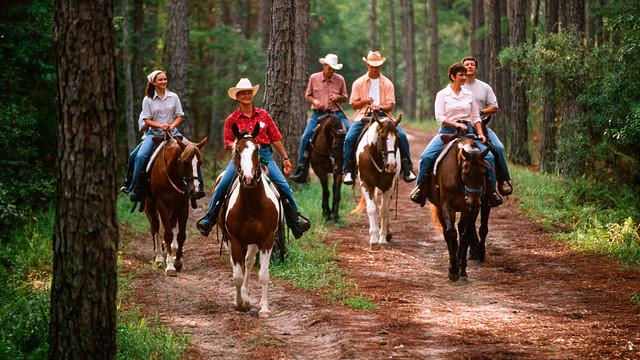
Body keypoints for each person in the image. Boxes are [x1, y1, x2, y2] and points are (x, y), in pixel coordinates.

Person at [196, 78, 311, 239]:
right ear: (237, 97)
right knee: (223, 184)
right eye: (243, 93)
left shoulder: (263, 115)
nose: (246, 95)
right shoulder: (232, 119)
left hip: (263, 155)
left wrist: (285, 157)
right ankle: (209, 218)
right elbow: (228, 142)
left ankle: (296, 221)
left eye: (249, 92)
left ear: (253, 95)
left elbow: (275, 138)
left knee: (283, 186)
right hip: (240, 156)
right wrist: (242, 147)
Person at [410, 62, 502, 206]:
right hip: (447, 132)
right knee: (425, 157)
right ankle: (420, 188)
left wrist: (480, 133)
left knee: (488, 157)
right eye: (461, 75)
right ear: (453, 76)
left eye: (465, 74)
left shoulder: (469, 95)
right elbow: (439, 117)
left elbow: (475, 117)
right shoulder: (442, 94)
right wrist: (455, 124)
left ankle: (492, 191)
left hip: (468, 133)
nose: (464, 77)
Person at [123, 69, 206, 201]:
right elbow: (146, 120)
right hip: (154, 134)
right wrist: (161, 126)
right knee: (140, 156)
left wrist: (171, 126)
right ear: (153, 82)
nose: (163, 82)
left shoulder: (174, 97)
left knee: (193, 151)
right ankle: (135, 188)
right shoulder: (148, 100)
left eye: (165, 79)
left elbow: (179, 116)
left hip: (174, 133)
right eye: (160, 80)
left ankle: (200, 187)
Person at [342, 50, 416, 185]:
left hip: (384, 116)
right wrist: (365, 102)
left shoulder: (387, 83)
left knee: (402, 135)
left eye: (377, 66)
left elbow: (390, 106)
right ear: (367, 65)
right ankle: (348, 170)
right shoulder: (358, 83)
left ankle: (407, 168)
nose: (374, 68)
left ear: (381, 66)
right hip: (363, 115)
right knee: (349, 138)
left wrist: (380, 108)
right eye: (372, 66)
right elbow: (353, 104)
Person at [290, 53, 350, 183]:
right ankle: (302, 167)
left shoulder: (340, 79)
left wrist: (338, 98)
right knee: (306, 136)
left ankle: (349, 166)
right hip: (318, 114)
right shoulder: (314, 78)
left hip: (336, 113)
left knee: (349, 131)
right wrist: (315, 101)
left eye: (334, 70)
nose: (331, 72)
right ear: (324, 66)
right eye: (329, 69)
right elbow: (308, 95)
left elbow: (345, 96)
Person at [461, 56, 512, 196]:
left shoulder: (484, 87)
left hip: (481, 125)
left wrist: (481, 111)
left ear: (476, 68)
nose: (469, 66)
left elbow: (494, 106)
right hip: (460, 126)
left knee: (499, 148)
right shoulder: (458, 86)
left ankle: (501, 182)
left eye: (472, 64)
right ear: (462, 68)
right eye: (466, 64)